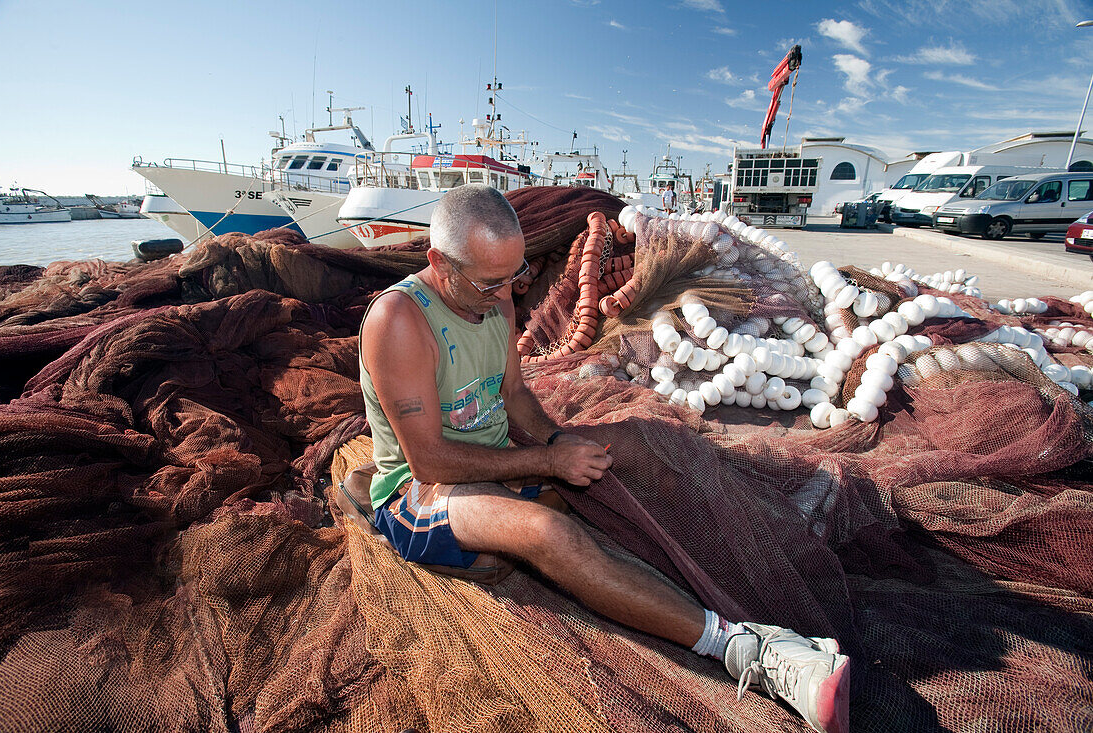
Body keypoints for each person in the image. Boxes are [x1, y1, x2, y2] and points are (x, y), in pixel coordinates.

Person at [350, 184, 850, 733]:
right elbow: (430, 461)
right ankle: (744, 651)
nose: (502, 296)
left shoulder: (493, 294)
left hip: (492, 458)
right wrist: (545, 464)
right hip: (419, 491)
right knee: (548, 534)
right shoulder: (399, 319)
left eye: (513, 279)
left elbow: (514, 394)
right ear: (438, 262)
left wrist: (557, 441)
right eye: (488, 282)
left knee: (634, 456)